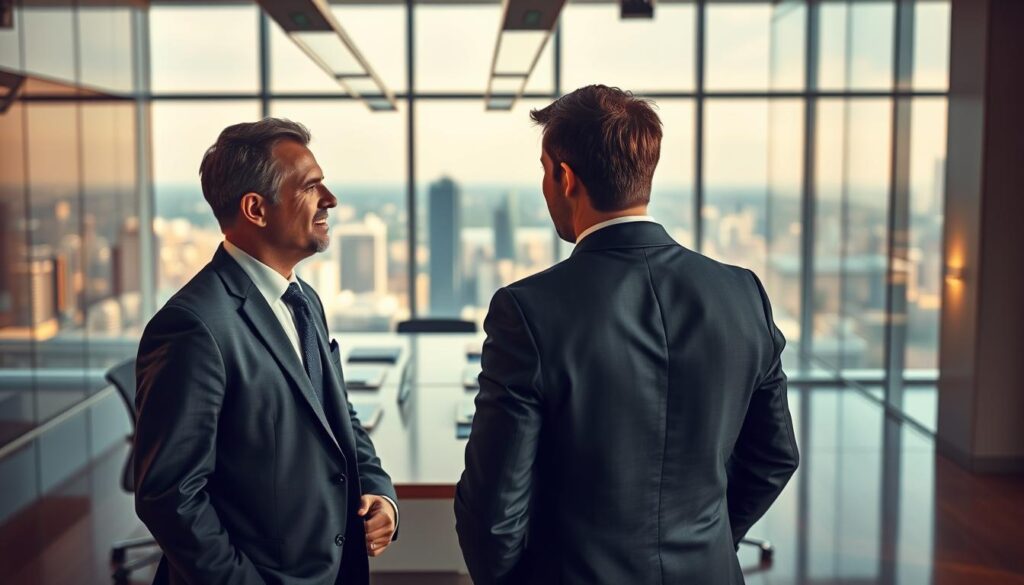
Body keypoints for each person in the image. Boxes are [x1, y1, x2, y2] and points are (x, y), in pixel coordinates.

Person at [454, 85, 799, 585]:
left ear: (563, 177)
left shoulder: (528, 311)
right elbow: (774, 456)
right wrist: (709, 540)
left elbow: (494, 513)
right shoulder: (743, 293)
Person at [134, 118, 398, 585]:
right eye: (311, 187)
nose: (330, 200)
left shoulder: (302, 299)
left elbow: (337, 416)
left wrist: (379, 491)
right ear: (256, 208)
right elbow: (171, 496)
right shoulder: (193, 327)